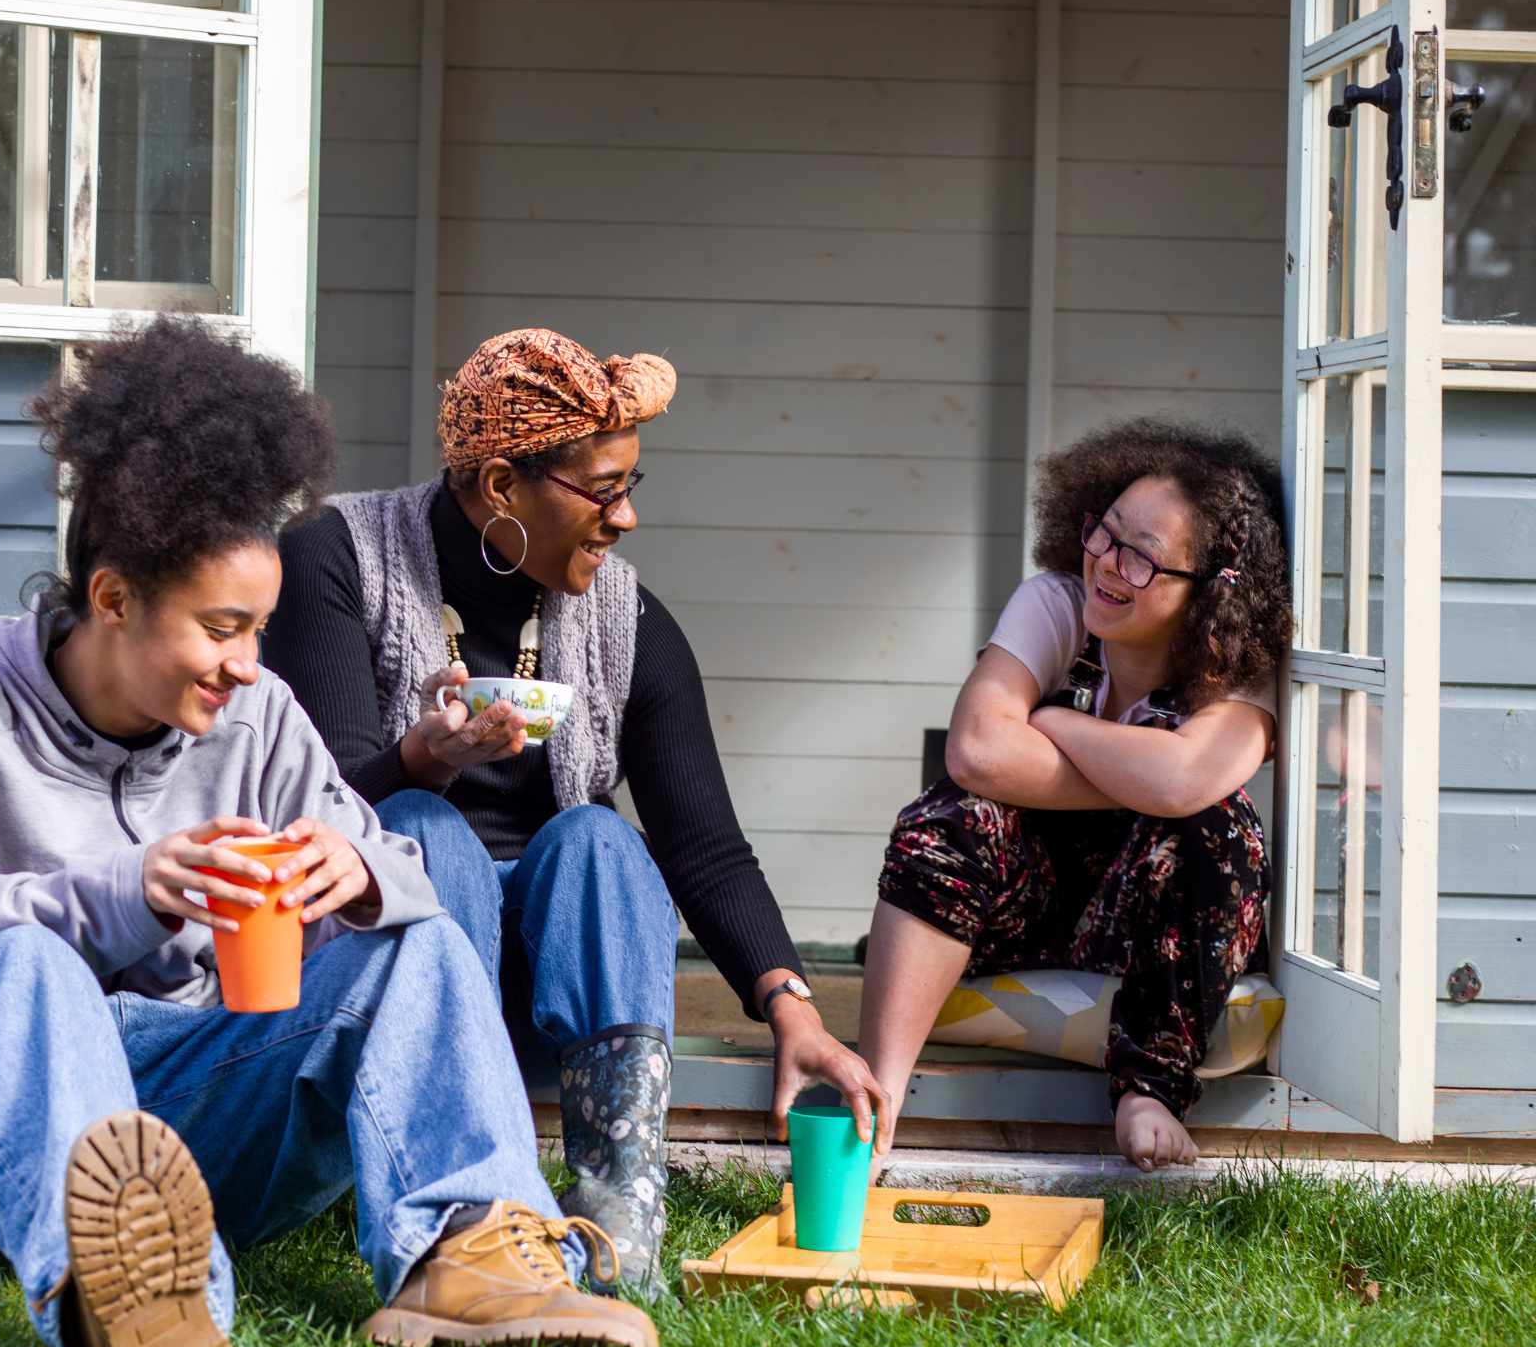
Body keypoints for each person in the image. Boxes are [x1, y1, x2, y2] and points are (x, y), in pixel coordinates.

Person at [0, 316, 659, 1347]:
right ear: (114, 598)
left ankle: (474, 1255)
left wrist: (354, 868)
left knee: (406, 937)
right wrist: (123, 892)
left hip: (181, 1111)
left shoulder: (256, 722)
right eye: (223, 629)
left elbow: (396, 876)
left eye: (259, 629)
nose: (250, 667)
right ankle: (139, 1307)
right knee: (22, 965)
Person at [266, 328, 885, 1293]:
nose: (627, 517)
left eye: (634, 484)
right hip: (403, 968)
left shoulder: (625, 619)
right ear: (504, 487)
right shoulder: (336, 558)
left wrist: (791, 1009)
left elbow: (706, 849)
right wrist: (420, 760)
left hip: (563, 976)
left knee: (601, 839)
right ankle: (472, 1209)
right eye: (603, 490)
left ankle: (619, 1221)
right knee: (428, 837)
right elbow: (307, 801)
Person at [854, 419, 1291, 1172]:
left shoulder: (1238, 668)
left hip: (1150, 936)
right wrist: (1143, 773)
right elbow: (978, 750)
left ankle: (1149, 1089)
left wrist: (1053, 722)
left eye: (1143, 557)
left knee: (1218, 826)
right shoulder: (1053, 604)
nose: (1106, 564)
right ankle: (878, 1093)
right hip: (1021, 913)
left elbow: (1191, 784)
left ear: (1212, 591)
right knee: (949, 816)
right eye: (1104, 532)